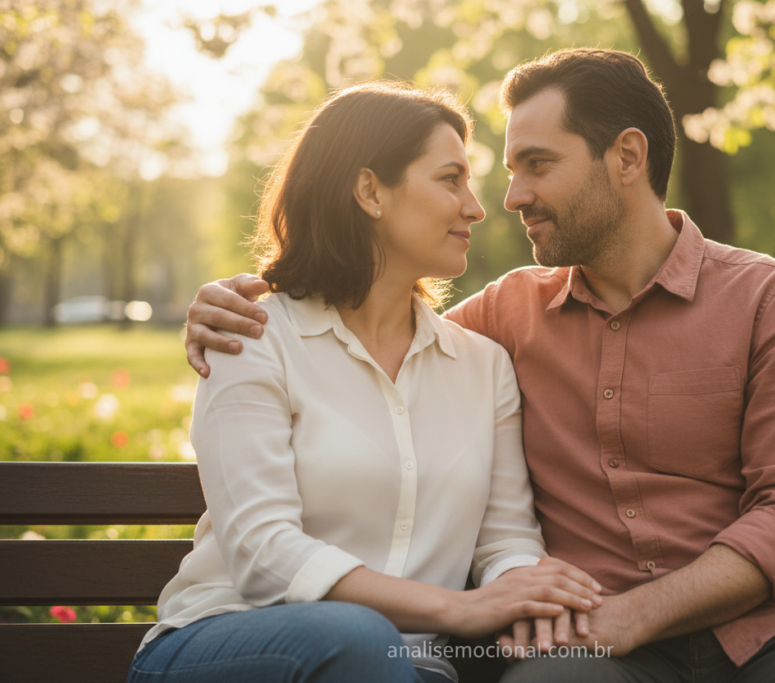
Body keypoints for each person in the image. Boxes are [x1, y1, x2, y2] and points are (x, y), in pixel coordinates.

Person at [184, 50, 775, 683]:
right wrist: (228, 299)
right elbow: (369, 328)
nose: (507, 199)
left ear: (628, 158)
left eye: (536, 165)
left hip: (773, 631)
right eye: (498, 172)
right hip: (582, 650)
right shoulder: (501, 320)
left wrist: (629, 613)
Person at [128, 82, 605, 683]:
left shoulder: (483, 366)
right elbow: (262, 553)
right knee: (357, 639)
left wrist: (524, 588)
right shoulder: (252, 337)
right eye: (450, 178)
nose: (476, 207)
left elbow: (504, 539)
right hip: (229, 643)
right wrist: (458, 609)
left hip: (405, 667)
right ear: (370, 191)